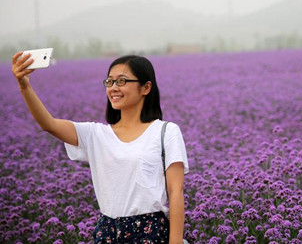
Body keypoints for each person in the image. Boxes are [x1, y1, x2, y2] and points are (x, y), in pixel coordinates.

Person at [12, 52, 189, 244]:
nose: (113, 88)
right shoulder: (96, 135)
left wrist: (175, 241)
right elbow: (49, 124)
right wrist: (24, 86)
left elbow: (175, 192)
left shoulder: (166, 131)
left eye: (121, 81)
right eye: (110, 82)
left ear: (146, 87)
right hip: (108, 232)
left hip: (151, 232)